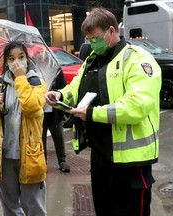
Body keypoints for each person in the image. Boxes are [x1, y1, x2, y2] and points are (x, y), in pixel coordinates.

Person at [44, 8, 161, 216]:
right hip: (101, 156)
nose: (92, 43)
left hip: (131, 161)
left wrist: (92, 113)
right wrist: (61, 96)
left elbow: (137, 106)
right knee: (104, 210)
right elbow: (76, 89)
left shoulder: (136, 59)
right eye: (88, 38)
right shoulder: (91, 61)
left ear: (111, 31)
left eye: (96, 38)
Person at [0, 41, 47, 216]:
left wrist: (20, 78)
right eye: (11, 58)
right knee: (9, 206)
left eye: (21, 57)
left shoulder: (36, 82)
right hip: (4, 155)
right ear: (5, 62)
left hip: (30, 154)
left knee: (34, 206)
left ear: (27, 59)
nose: (16, 62)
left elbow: (31, 106)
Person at [42, 69, 70, 172]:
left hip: (55, 112)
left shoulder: (56, 69)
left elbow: (64, 88)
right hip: (41, 112)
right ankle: (42, 162)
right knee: (41, 139)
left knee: (58, 136)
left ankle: (62, 161)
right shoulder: (32, 70)